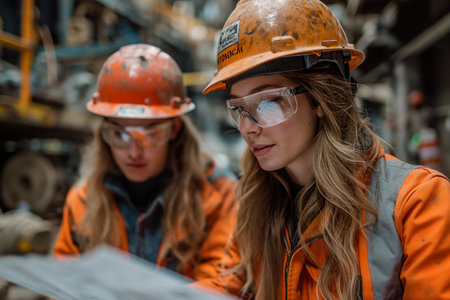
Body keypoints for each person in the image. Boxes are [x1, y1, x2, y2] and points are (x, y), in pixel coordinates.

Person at [199, 1, 450, 299]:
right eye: (239, 109)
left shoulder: (417, 204)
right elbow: (223, 286)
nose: (247, 128)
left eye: (267, 103)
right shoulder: (256, 202)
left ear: (321, 99)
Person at [53, 44, 237, 282]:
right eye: (119, 135)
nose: (133, 152)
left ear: (175, 129)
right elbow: (64, 283)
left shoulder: (219, 195)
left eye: (150, 135)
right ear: (103, 133)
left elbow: (222, 280)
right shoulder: (83, 201)